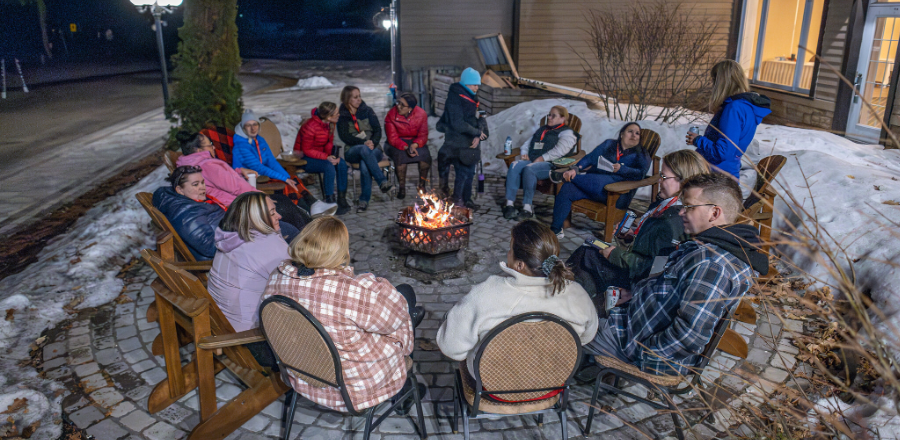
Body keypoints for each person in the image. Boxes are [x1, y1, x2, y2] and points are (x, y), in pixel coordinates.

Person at [583, 173, 769, 377]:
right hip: (632, 323)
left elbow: (690, 336)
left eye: (689, 207)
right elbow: (670, 289)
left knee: (566, 325)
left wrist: (643, 355)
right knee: (583, 305)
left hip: (632, 343)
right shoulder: (713, 247)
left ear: (714, 213)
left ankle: (561, 374)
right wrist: (634, 294)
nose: (681, 212)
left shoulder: (712, 265)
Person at [264, 216, 425, 412]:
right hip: (351, 387)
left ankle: (412, 320)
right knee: (405, 297)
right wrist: (374, 284)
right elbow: (394, 319)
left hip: (304, 375)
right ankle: (405, 391)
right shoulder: (346, 291)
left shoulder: (277, 277)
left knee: (399, 306)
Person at [436, 220, 598, 378]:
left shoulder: (486, 294)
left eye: (510, 249)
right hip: (551, 382)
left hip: (495, 384)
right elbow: (586, 338)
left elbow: (451, 347)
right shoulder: (578, 294)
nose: (508, 253)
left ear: (520, 265)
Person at [567, 149, 710, 308]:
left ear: (683, 181)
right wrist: (632, 236)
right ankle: (579, 304)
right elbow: (654, 243)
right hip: (634, 268)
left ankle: (571, 303)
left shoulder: (674, 221)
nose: (659, 181)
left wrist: (615, 255)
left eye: (663, 177)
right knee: (587, 259)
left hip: (638, 280)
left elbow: (654, 268)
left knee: (587, 256)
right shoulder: (665, 204)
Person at [175, 131, 317, 231]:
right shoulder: (207, 165)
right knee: (282, 206)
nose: (213, 147)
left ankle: (311, 230)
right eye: (209, 144)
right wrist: (260, 196)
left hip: (234, 203)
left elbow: (221, 180)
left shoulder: (193, 164)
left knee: (283, 201)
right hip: (236, 207)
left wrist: (239, 171)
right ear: (198, 150)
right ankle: (312, 235)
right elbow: (236, 187)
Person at [152, 166, 299, 261]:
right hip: (227, 255)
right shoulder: (186, 213)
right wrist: (247, 233)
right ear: (179, 190)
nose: (202, 188)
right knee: (285, 231)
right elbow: (209, 247)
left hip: (233, 239)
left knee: (282, 225)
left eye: (202, 183)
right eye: (195, 185)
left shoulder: (192, 202)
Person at [549, 122, 651, 239]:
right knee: (567, 188)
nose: (634, 135)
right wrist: (575, 169)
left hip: (616, 193)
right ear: (622, 134)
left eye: (637, 133)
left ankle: (562, 176)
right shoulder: (609, 144)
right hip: (592, 186)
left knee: (601, 181)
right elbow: (590, 158)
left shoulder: (641, 154)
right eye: (630, 131)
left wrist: (622, 169)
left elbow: (641, 174)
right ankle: (555, 230)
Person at [208, 192, 289, 333]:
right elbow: (294, 286)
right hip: (248, 333)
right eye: (272, 213)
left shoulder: (229, 238)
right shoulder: (268, 244)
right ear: (256, 219)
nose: (279, 216)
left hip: (222, 323)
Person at [230, 111, 338, 217]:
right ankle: (306, 212)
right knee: (286, 185)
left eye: (255, 124)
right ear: (243, 127)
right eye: (248, 125)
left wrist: (287, 177)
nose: (253, 128)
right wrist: (284, 179)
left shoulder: (259, 140)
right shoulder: (241, 145)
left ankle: (314, 204)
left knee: (293, 179)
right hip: (248, 179)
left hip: (261, 175)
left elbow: (271, 161)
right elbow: (259, 167)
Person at [686, 60, 771, 180]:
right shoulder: (745, 106)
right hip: (723, 173)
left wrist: (698, 140)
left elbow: (723, 152)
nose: (712, 85)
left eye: (714, 80)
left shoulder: (734, 109)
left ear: (721, 82)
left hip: (716, 177)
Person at [503, 105, 580, 220]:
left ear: (562, 118)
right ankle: (509, 205)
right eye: (549, 115)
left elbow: (560, 151)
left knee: (530, 168)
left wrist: (542, 158)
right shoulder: (543, 129)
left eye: (553, 116)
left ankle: (527, 208)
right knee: (514, 165)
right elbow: (528, 143)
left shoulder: (567, 133)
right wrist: (524, 152)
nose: (549, 117)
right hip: (533, 160)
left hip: (553, 165)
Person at [436, 67, 489, 209]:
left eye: (478, 85)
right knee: (464, 171)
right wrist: (476, 133)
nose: (477, 88)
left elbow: (473, 119)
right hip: (456, 141)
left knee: (470, 171)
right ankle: (457, 200)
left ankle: (467, 199)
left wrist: (477, 134)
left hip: (467, 139)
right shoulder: (455, 98)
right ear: (466, 84)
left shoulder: (470, 96)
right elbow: (457, 123)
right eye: (474, 84)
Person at [337, 86, 393, 212]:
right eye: (355, 97)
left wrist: (372, 142)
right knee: (363, 149)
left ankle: (363, 201)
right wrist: (364, 142)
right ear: (347, 99)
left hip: (373, 148)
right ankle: (382, 181)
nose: (359, 99)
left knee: (364, 164)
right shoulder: (343, 115)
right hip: (353, 150)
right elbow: (345, 136)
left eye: (359, 96)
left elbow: (378, 130)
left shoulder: (367, 111)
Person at [295, 102, 351, 215]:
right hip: (303, 158)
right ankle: (329, 201)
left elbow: (328, 143)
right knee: (328, 166)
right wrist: (326, 157)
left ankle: (341, 198)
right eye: (336, 113)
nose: (339, 115)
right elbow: (306, 149)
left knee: (341, 163)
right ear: (328, 117)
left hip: (319, 155)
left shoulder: (330, 124)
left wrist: (333, 157)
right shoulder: (310, 126)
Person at [384, 92, 431, 199]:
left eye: (402, 105)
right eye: (398, 103)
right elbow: (392, 138)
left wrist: (415, 145)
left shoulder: (421, 114)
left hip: (415, 141)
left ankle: (422, 185)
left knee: (425, 157)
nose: (398, 106)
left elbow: (423, 134)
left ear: (410, 108)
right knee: (400, 157)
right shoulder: (391, 115)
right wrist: (406, 147)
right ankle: (402, 188)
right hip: (396, 143)